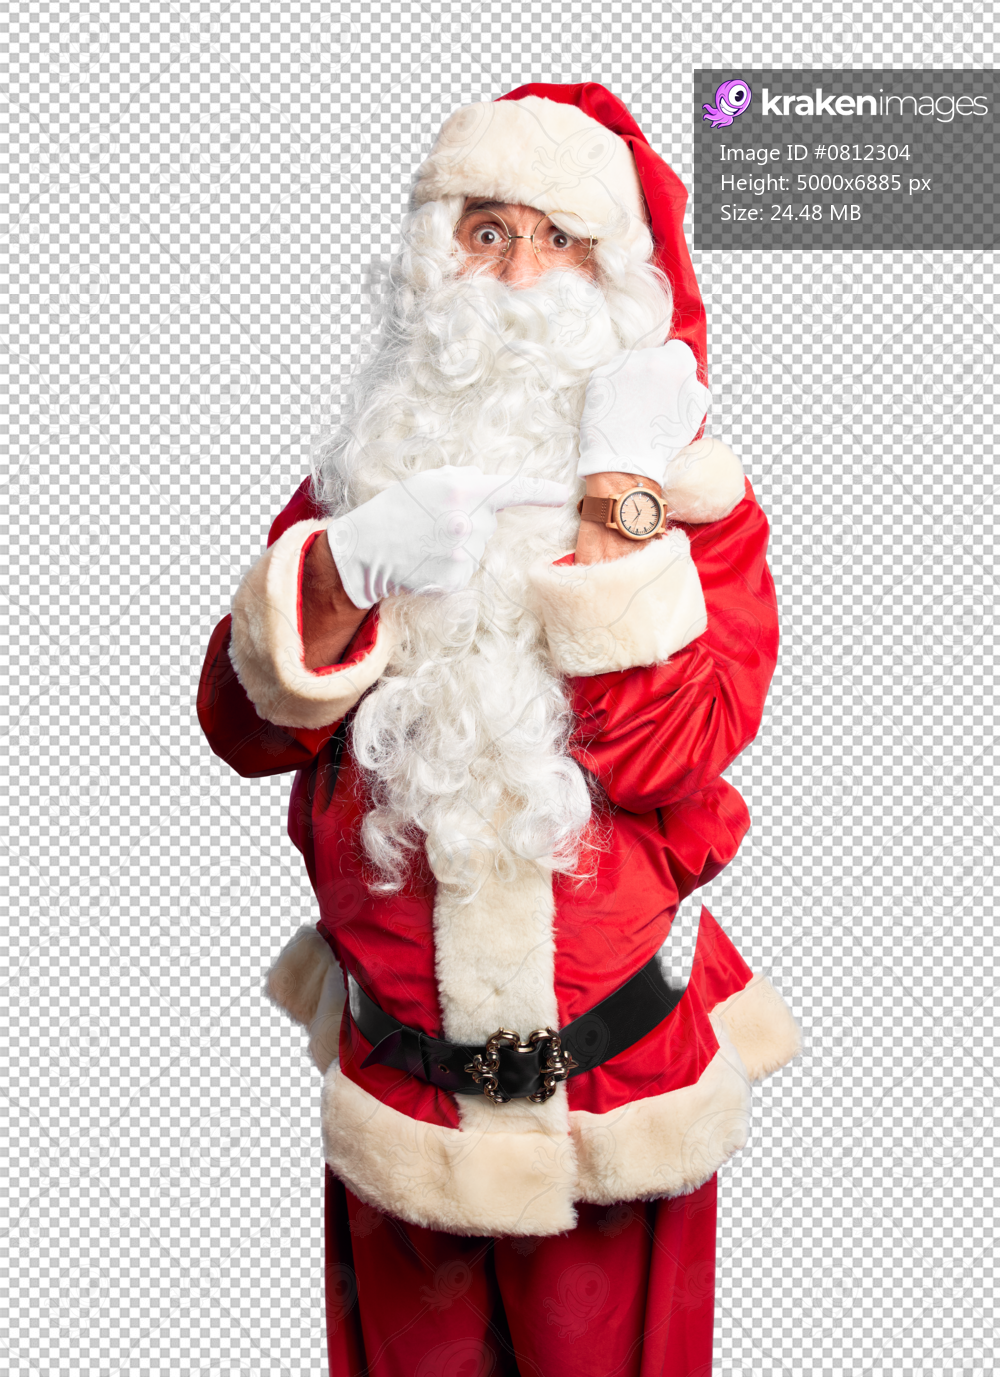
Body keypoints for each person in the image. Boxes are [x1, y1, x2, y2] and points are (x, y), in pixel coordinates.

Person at [197, 82, 801, 1377]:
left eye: (562, 240)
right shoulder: (359, 475)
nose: (520, 275)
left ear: (618, 279)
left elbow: (673, 750)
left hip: (615, 1089)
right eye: (486, 231)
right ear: (434, 258)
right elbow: (241, 732)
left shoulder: (697, 507)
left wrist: (620, 499)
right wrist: (344, 565)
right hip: (403, 1088)